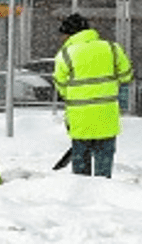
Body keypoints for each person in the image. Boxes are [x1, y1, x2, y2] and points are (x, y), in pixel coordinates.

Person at [53, 13, 133, 178]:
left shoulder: (66, 54)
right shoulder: (112, 48)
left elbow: (60, 85)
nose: (62, 38)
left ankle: (81, 199)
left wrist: (75, 95)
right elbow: (126, 76)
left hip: (79, 119)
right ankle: (103, 199)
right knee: (104, 171)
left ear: (70, 34)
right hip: (106, 118)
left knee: (80, 172)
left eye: (64, 34)